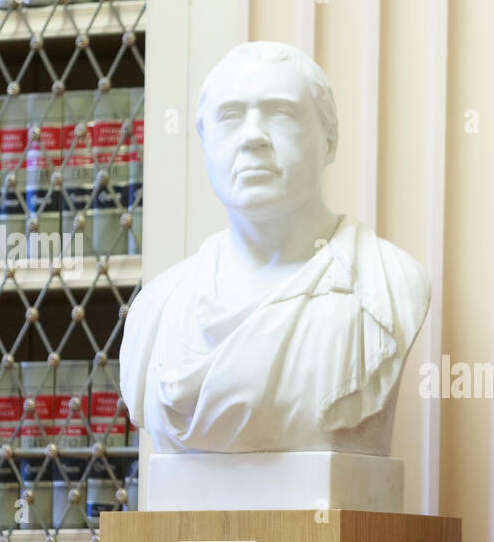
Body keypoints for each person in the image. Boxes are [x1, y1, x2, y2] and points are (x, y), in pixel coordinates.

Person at [120, 41, 430, 456]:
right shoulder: (159, 307)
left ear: (330, 141)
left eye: (280, 112)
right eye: (230, 116)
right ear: (205, 141)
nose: (252, 138)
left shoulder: (387, 284)